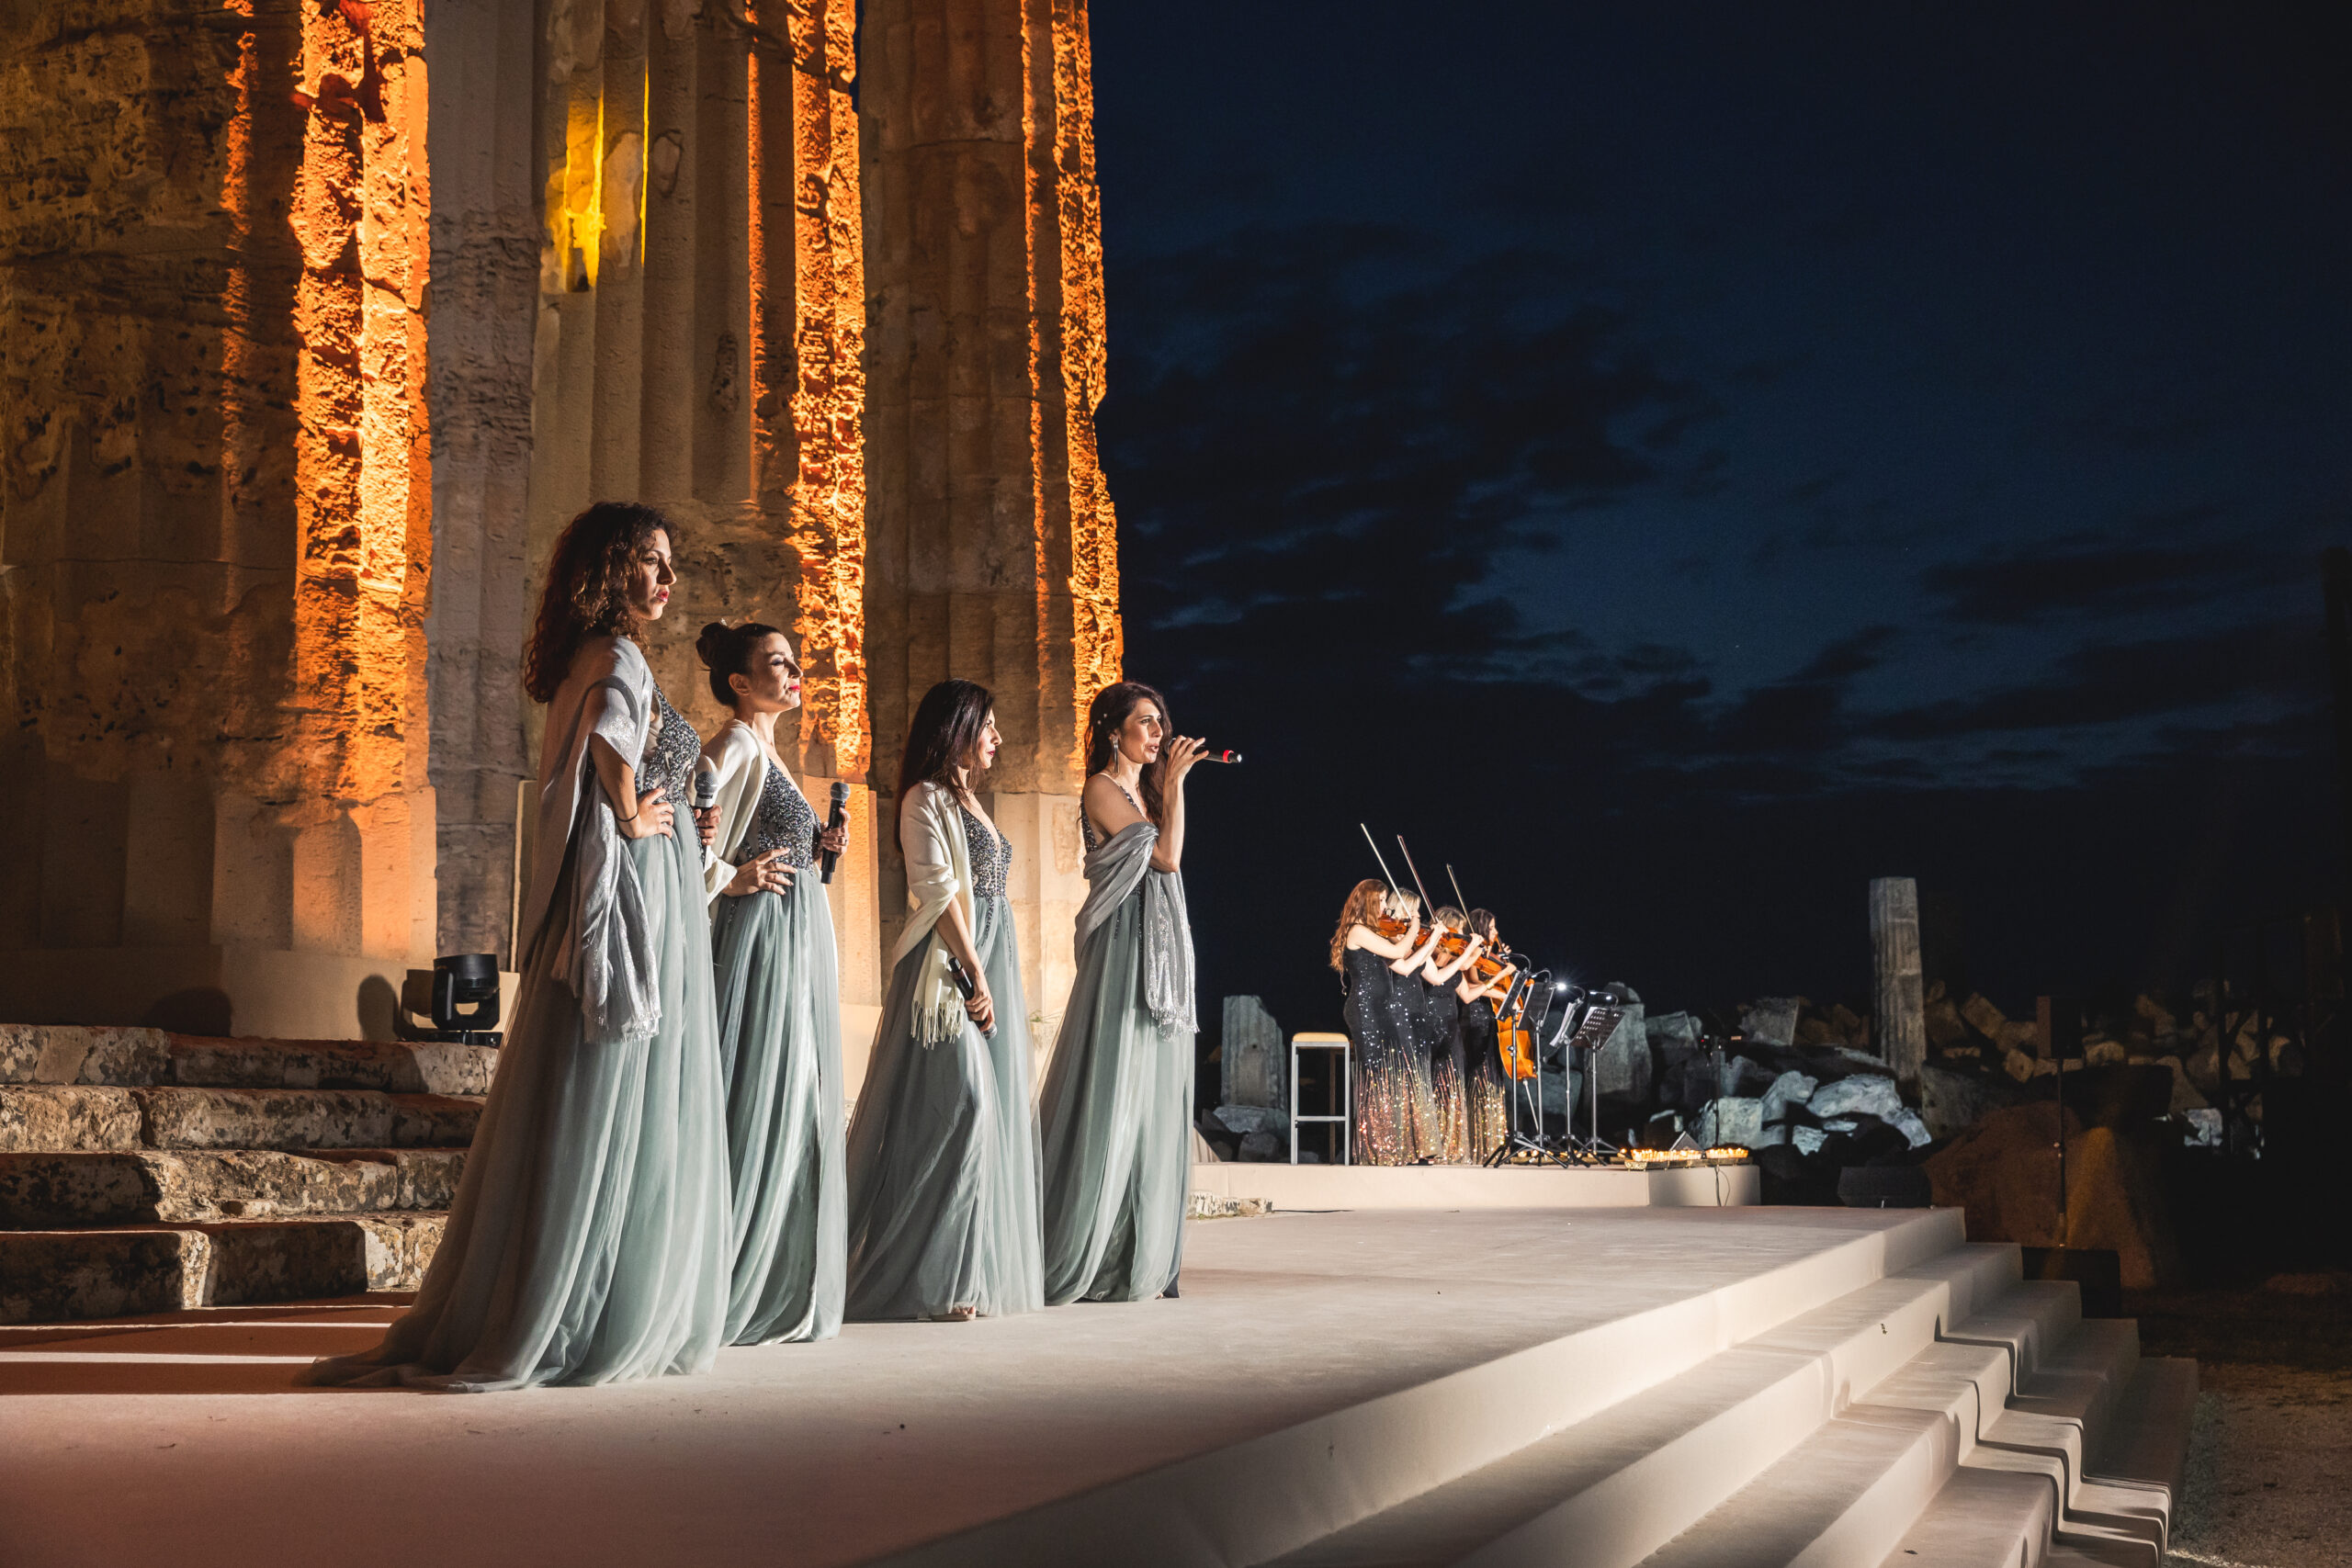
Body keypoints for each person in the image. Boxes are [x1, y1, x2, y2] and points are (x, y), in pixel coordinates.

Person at [305, 502, 729, 1391]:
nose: (665, 580)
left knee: (586, 1083)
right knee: (620, 1081)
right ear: (610, 569)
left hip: (624, 874)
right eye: (649, 562)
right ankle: (587, 1301)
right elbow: (614, 752)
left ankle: (567, 1287)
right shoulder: (616, 655)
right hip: (636, 879)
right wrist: (636, 814)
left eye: (666, 563)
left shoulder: (588, 653)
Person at [842, 680, 1044, 1322]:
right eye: (988, 724)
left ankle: (963, 1277)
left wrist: (993, 975)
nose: (998, 738)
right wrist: (974, 971)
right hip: (947, 968)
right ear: (957, 726)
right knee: (965, 1107)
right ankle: (920, 1279)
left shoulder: (968, 799)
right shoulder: (923, 798)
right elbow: (937, 891)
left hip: (990, 960)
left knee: (980, 1113)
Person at [695, 621, 851, 1345]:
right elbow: (683, 833)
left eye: (796, 662)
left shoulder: (770, 754)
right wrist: (731, 880)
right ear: (740, 681)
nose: (796, 673)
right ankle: (731, 1277)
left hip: (792, 942)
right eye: (778, 663)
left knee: (795, 1103)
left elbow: (770, 840)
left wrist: (819, 851)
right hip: (759, 946)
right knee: (762, 1096)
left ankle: (776, 1276)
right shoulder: (731, 742)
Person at [1037, 682, 1206, 1304]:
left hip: (1156, 948)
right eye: (1147, 723)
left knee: (1155, 1096)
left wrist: (1167, 787)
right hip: (1124, 951)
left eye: (1162, 723)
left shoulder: (1142, 790)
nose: (1159, 735)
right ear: (1115, 731)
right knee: (1116, 1088)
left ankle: (1147, 1249)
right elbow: (1166, 858)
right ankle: (1095, 1246)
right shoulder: (1103, 788)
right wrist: (1180, 784)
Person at [1333, 881, 1442, 1167]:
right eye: (1380, 901)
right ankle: (1377, 1149)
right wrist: (1416, 925)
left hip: (1382, 1010)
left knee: (1391, 1075)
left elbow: (1405, 967)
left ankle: (1395, 1146)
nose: (1384, 906)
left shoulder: (1374, 933)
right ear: (1367, 901)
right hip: (1365, 1010)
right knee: (1376, 1076)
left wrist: (1430, 942)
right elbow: (1398, 952)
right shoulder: (1358, 930)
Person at [1419, 907, 1488, 1164]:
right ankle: (1427, 1146)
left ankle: (1449, 1147)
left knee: (1449, 1089)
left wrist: (1494, 980)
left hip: (1450, 1029)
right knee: (1428, 1088)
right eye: (1457, 932)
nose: (1461, 937)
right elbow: (1437, 974)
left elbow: (1468, 996)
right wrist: (1468, 952)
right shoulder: (1426, 957)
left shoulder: (1455, 967)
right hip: (1427, 1029)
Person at [1456, 909, 1518, 1161]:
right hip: (1475, 1017)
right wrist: (1502, 984)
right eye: (1491, 928)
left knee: (1492, 1076)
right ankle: (1478, 1147)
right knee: (1479, 1075)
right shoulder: (1473, 954)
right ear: (1481, 928)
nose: (1495, 932)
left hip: (1489, 1016)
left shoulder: (1488, 953)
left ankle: (1491, 1143)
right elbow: (1473, 985)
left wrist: (1500, 960)